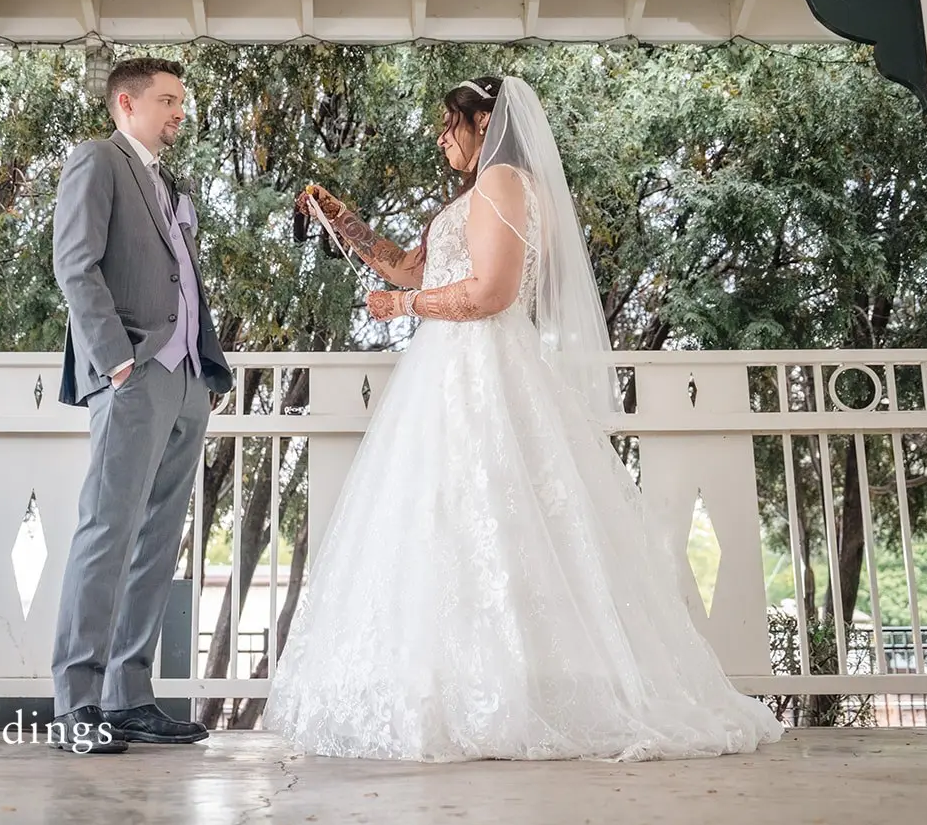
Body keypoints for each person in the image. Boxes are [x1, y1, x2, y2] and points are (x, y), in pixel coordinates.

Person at [265, 75, 783, 762]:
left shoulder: (504, 181)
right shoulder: (477, 193)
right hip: (447, 373)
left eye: (453, 123)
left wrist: (399, 311)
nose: (442, 136)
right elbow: (412, 267)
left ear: (488, 123)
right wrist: (345, 222)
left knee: (495, 516)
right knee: (443, 523)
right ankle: (452, 689)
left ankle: (509, 696)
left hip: (482, 368)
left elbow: (490, 291)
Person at [49, 56, 234, 754]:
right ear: (126, 103)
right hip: (133, 374)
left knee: (157, 540)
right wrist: (116, 359)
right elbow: (75, 262)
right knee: (107, 529)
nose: (179, 112)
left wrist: (203, 373)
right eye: (168, 100)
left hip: (186, 379)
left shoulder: (169, 184)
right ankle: (77, 700)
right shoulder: (97, 161)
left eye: (182, 101)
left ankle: (129, 695)